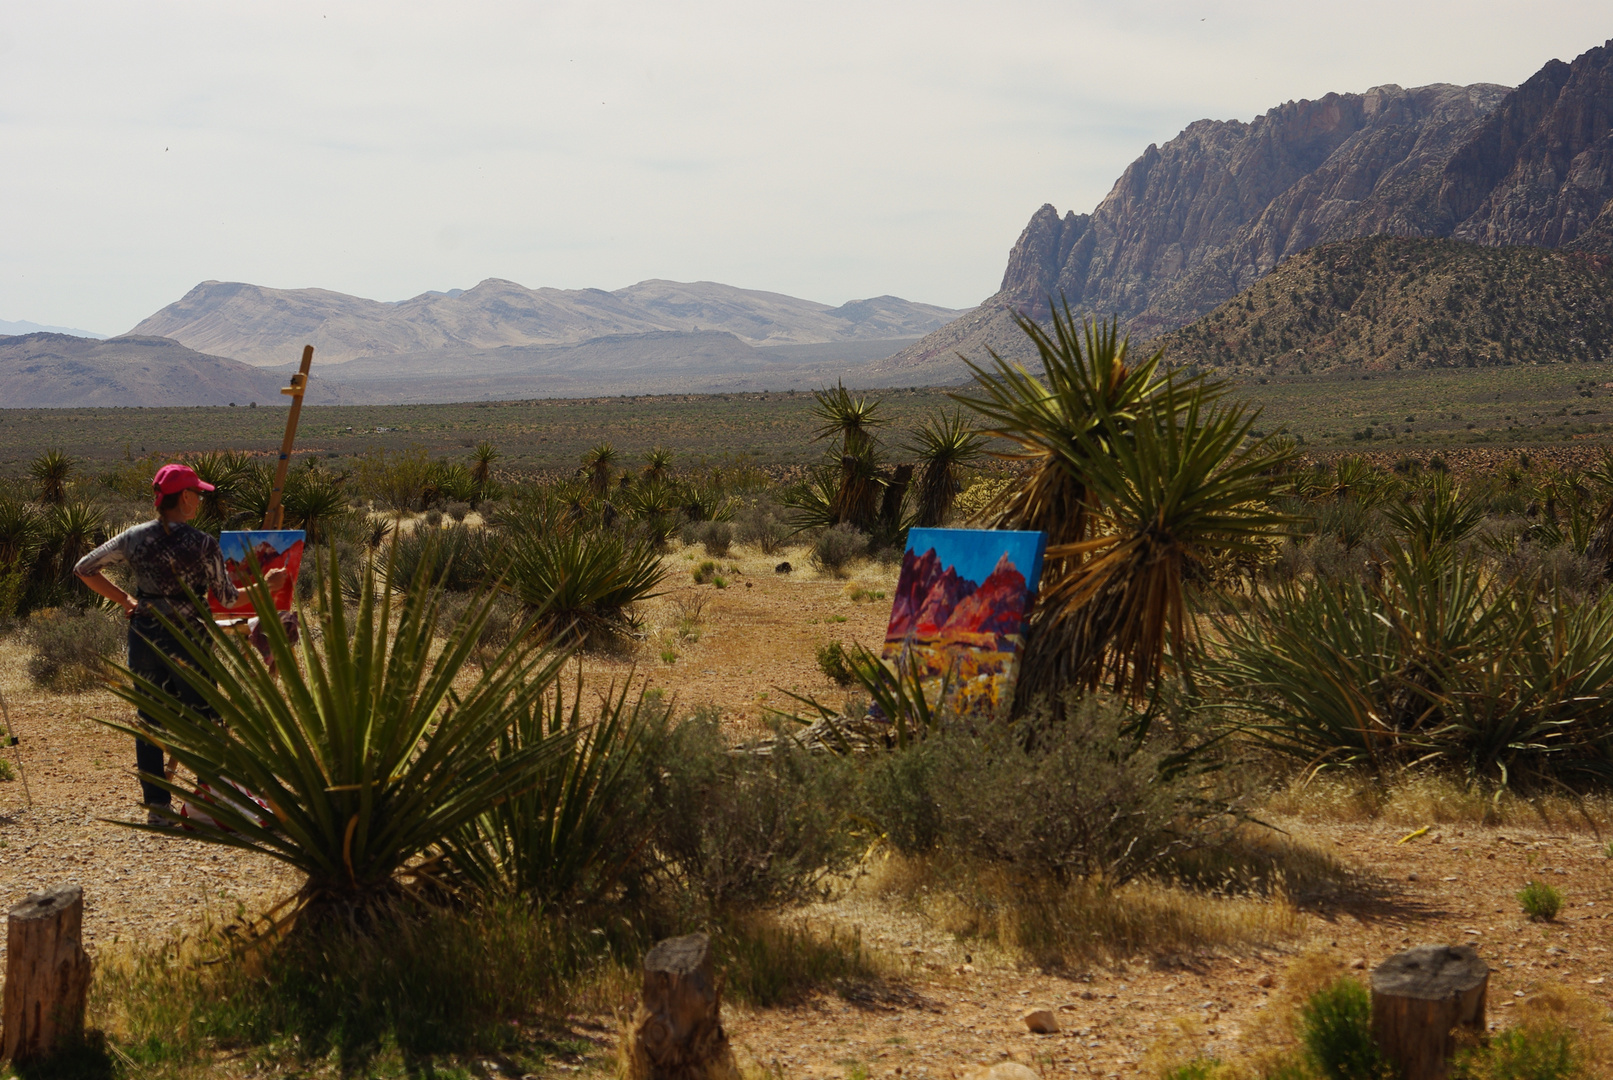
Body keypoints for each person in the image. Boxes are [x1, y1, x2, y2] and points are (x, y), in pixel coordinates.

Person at [74, 464, 286, 825]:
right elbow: (228, 598)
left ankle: (158, 806)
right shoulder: (203, 544)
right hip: (191, 635)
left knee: (149, 717)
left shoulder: (134, 537)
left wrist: (126, 600)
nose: (200, 501)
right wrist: (269, 584)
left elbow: (84, 568)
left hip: (145, 633)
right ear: (185, 498)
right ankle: (209, 797)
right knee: (205, 716)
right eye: (198, 494)